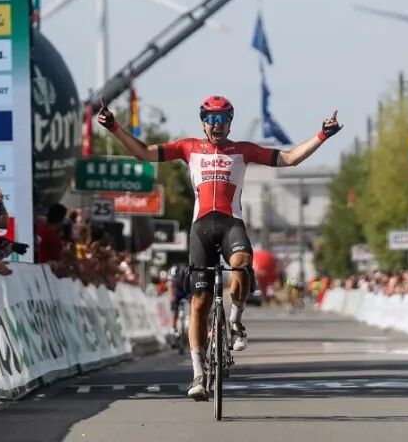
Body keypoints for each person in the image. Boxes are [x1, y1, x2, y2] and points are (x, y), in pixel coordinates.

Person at [97, 94, 341, 401]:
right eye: (211, 120)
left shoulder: (243, 150)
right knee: (199, 302)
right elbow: (144, 153)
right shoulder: (188, 147)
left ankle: (235, 320)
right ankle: (198, 374)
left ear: (230, 123)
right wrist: (114, 128)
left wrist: (322, 135)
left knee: (242, 263)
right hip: (201, 228)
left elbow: (290, 158)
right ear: (203, 123)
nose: (217, 125)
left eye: (223, 119)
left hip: (230, 224)